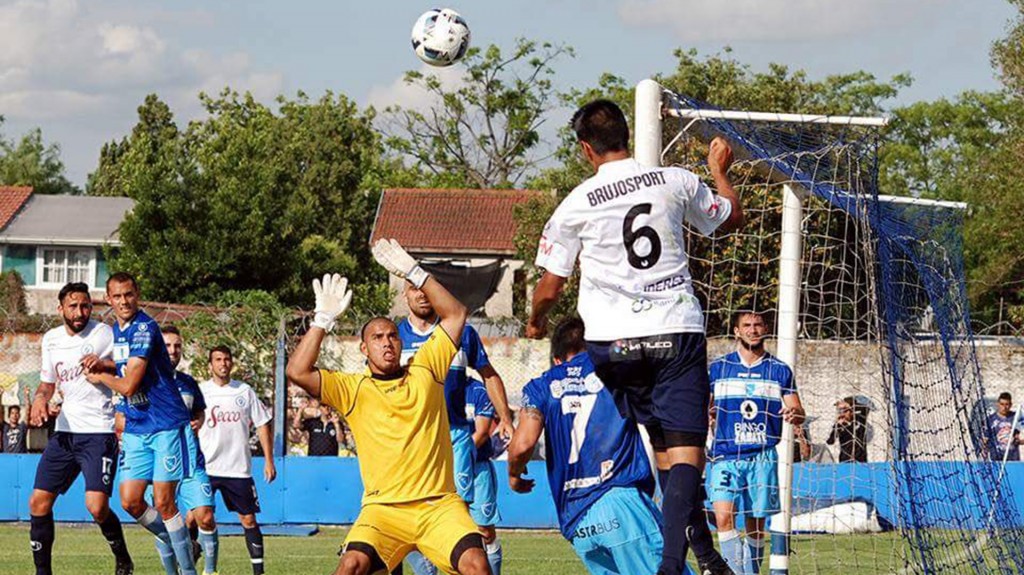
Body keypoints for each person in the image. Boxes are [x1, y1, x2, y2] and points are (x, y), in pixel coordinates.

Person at [525, 99, 744, 575]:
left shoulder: (576, 203)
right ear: (625, 133)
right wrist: (719, 170)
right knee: (686, 454)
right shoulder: (674, 180)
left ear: (586, 149)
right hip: (674, 331)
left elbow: (550, 285)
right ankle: (672, 568)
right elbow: (729, 217)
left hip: (613, 346)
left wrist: (537, 319)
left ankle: (706, 556)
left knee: (665, 450)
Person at [285, 240, 491, 575]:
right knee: (350, 565)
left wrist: (414, 272)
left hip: (438, 506)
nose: (387, 342)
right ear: (363, 349)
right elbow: (297, 371)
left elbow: (455, 314)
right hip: (383, 511)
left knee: (476, 565)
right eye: (378, 338)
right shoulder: (352, 389)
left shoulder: (427, 369)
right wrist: (322, 319)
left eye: (392, 336)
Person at [508, 317, 695, 575]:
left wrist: (514, 475)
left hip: (576, 521)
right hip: (619, 502)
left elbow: (522, 445)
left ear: (557, 359)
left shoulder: (540, 386)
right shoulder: (614, 372)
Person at [85, 272, 199, 575]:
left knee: (164, 502)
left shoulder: (145, 328)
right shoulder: (117, 330)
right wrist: (103, 363)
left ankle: (186, 571)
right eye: (117, 296)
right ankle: (186, 543)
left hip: (164, 425)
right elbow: (125, 363)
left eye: (129, 295)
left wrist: (100, 376)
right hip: (136, 426)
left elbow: (130, 385)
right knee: (130, 501)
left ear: (138, 295)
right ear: (109, 299)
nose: (124, 301)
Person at [398, 282, 513, 575]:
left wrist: (507, 419)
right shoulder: (392, 336)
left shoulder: (461, 333)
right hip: (410, 444)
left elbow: (489, 375)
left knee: (464, 525)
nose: (421, 294)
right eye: (414, 288)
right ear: (404, 294)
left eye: (426, 287)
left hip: (454, 439)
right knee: (406, 525)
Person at [28, 282, 134, 575]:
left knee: (96, 507)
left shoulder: (104, 333)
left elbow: (129, 367)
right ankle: (43, 572)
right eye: (73, 306)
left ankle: (123, 557)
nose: (80, 312)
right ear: (60, 308)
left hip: (98, 433)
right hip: (64, 433)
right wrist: (40, 399)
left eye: (85, 305)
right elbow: (48, 383)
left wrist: (103, 364)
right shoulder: (51, 339)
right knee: (38, 502)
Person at [707, 311, 805, 575]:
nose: (753, 330)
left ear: (766, 329)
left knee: (756, 525)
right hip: (725, 455)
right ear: (737, 331)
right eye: (746, 325)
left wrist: (794, 414)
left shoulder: (779, 370)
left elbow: (798, 411)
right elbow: (704, 406)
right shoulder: (718, 368)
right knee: (723, 517)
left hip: (762, 456)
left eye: (758, 325)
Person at [198, 345, 276, 575]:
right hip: (207, 467)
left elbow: (262, 424)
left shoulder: (244, 391)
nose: (223, 363)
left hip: (238, 468)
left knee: (248, 520)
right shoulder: (201, 391)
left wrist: (269, 460)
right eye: (218, 359)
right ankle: (192, 563)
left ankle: (259, 572)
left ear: (231, 363)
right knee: (196, 517)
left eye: (227, 359)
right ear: (210, 365)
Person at [161, 325, 219, 575]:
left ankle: (209, 571)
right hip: (162, 464)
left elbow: (199, 411)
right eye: (167, 346)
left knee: (205, 516)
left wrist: (198, 420)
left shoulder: (187, 382)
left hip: (192, 462)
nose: (173, 351)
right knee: (166, 524)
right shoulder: (147, 381)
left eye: (177, 346)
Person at [465, 377, 503, 575]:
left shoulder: (477, 390)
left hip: (476, 468)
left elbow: (481, 433)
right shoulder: (431, 387)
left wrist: (457, 458)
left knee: (485, 532)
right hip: (441, 471)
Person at [826, 397, 868, 463]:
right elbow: (830, 441)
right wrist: (838, 426)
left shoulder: (860, 420)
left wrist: (848, 405)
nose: (843, 413)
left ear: (852, 411)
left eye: (845, 411)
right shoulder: (840, 425)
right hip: (845, 461)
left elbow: (865, 408)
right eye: (840, 411)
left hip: (861, 460)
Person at [987, 392, 1021, 462]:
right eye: (1002, 404)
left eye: (1007, 404)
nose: (1004, 407)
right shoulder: (991, 419)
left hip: (1013, 459)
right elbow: (985, 439)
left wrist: (1018, 440)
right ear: (997, 404)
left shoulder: (1016, 417)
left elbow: (1021, 436)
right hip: (996, 459)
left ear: (1011, 405)